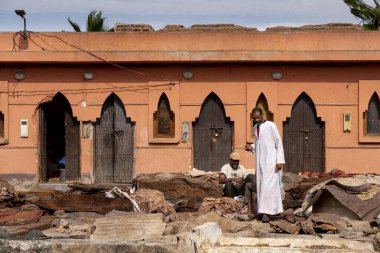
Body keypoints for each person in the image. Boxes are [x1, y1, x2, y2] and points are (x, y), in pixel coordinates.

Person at [245, 107, 285, 223]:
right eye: (254, 118)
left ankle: (266, 213)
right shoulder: (256, 127)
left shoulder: (271, 125)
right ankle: (270, 210)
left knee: (268, 187)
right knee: (262, 186)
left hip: (271, 161)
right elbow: (258, 142)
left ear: (262, 115)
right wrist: (251, 147)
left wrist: (279, 161)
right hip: (260, 162)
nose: (256, 120)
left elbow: (279, 143)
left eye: (258, 118)